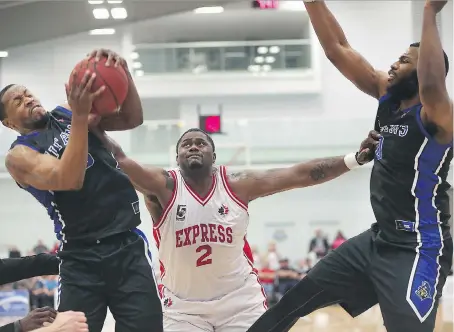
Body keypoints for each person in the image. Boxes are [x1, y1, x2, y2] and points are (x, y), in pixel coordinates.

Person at [246, 0, 453, 331]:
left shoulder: (439, 117)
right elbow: (337, 48)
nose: (394, 64)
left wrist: (429, 11)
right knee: (294, 300)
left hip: (418, 246)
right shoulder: (388, 98)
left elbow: (432, 85)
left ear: (424, 72)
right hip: (379, 239)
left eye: (404, 61)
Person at [91, 125, 379, 332]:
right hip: (183, 307)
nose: (193, 146)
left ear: (214, 157)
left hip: (240, 302)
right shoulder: (163, 187)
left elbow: (299, 174)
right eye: (186, 144)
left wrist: (354, 159)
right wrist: (87, 125)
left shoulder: (237, 184)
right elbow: (120, 160)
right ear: (177, 157)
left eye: (201, 143)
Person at [0, 49, 162, 332]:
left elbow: (131, 118)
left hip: (127, 245)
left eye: (27, 93)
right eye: (17, 100)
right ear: (8, 122)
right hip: (80, 258)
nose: (28, 98)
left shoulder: (65, 113)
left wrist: (123, 72)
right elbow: (68, 178)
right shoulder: (20, 156)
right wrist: (80, 116)